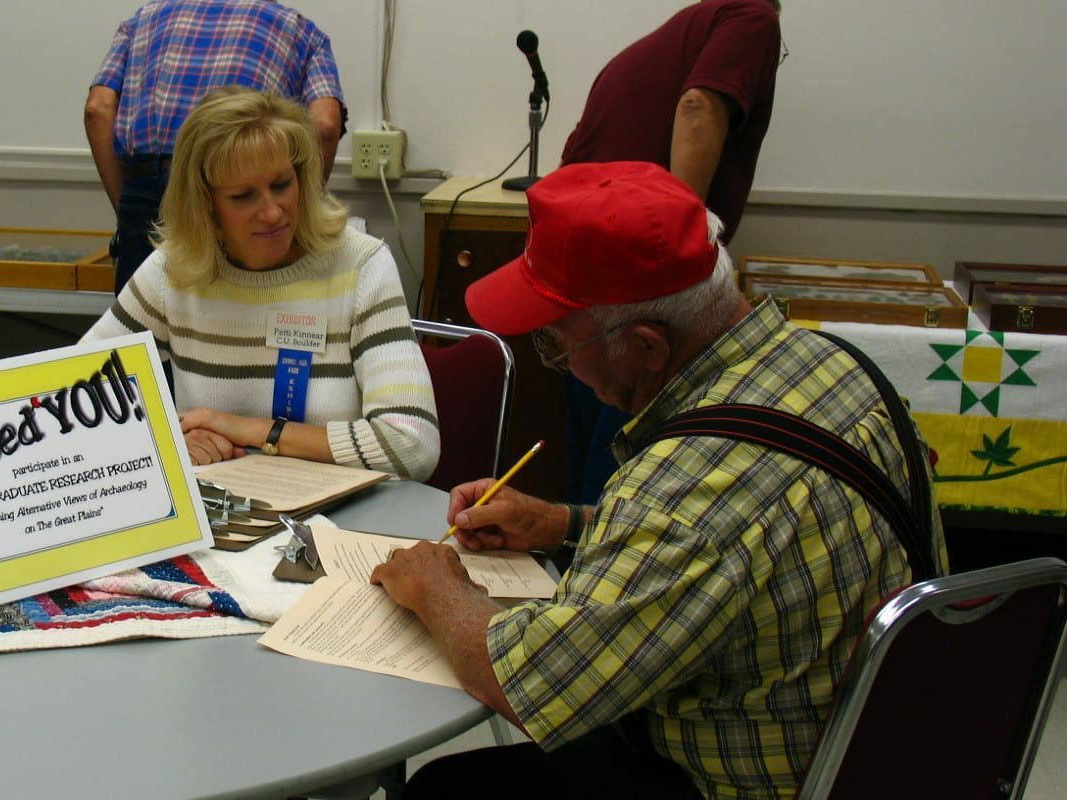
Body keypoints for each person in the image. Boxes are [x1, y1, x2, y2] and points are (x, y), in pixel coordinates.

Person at [370, 162, 947, 799]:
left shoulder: (688, 490)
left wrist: (437, 586)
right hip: (893, 751)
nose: (558, 364)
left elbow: (529, 682)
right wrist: (562, 523)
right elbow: (739, 545)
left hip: (752, 784)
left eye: (556, 344)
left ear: (646, 346)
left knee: (447, 791)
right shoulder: (837, 366)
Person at [81, 88, 438, 481]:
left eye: (282, 184)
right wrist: (166, 438)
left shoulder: (361, 265)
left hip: (337, 526)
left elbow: (413, 447)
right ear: (205, 205)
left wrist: (250, 430)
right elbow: (69, 399)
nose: (271, 212)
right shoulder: (174, 272)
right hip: (220, 520)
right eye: (243, 196)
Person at [560, 0, 784, 506]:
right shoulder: (754, 16)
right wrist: (677, 246)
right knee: (625, 471)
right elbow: (699, 106)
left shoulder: (668, 39)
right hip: (632, 283)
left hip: (584, 281)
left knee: (591, 463)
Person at [85, 0, 345, 292]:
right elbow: (324, 127)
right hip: (245, 187)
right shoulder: (300, 30)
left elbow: (98, 110)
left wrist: (129, 210)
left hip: (146, 181)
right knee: (241, 319)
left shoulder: (142, 20)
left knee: (141, 326)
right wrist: (299, 207)